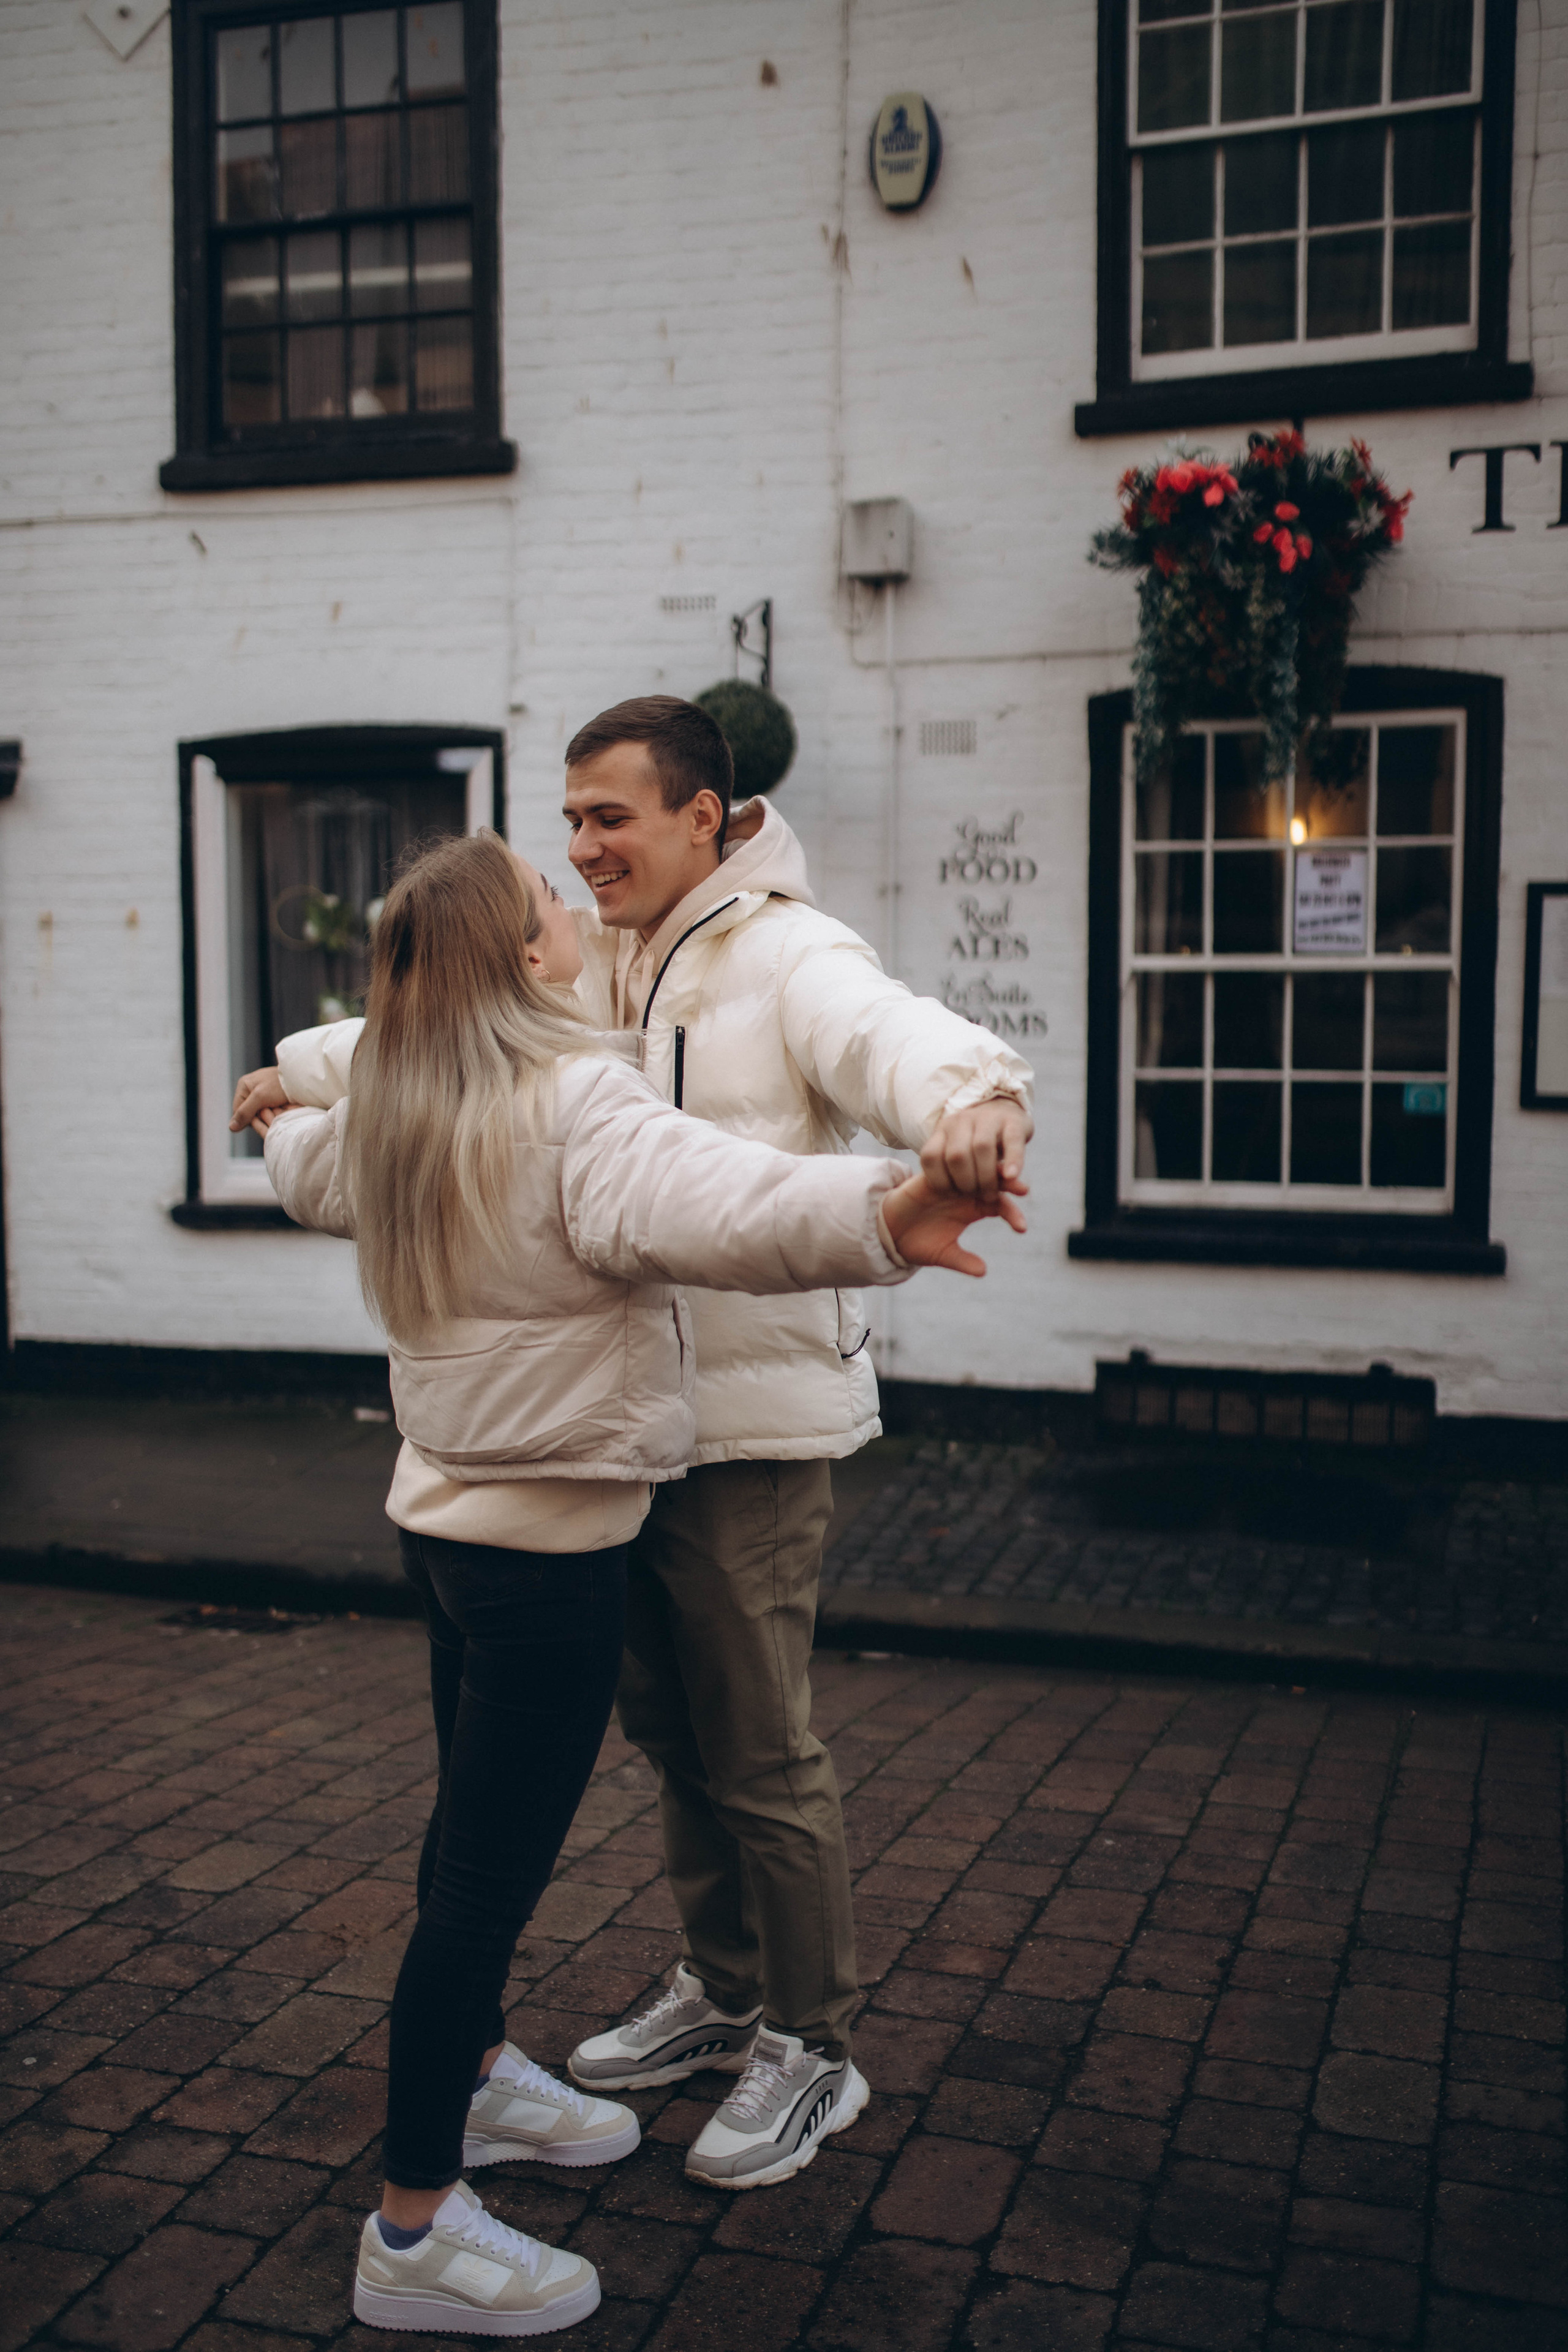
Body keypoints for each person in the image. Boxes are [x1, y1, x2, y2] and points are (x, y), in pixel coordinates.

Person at [235, 696, 1034, 2195]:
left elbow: (888, 1039)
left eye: (612, 817)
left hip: (748, 1428)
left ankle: (808, 2040)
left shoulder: (789, 955)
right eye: (571, 820)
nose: (582, 845)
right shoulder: (584, 951)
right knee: (669, 1736)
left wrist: (973, 1102)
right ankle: (718, 1989)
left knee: (756, 1743)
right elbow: (445, 1017)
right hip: (621, 1441)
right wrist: (303, 1072)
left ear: (707, 820)